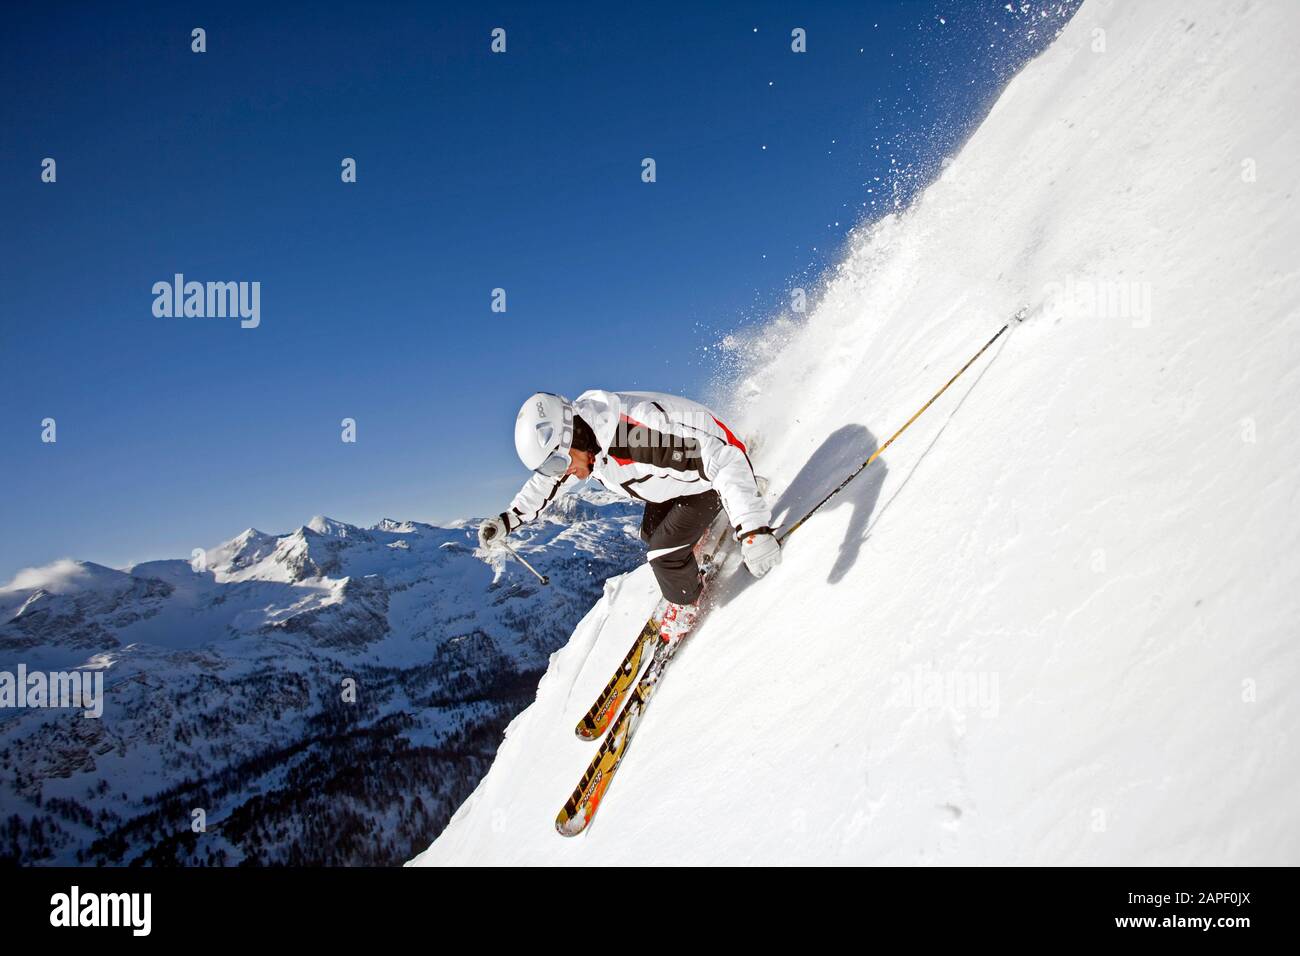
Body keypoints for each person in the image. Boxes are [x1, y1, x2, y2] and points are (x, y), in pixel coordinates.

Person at [478, 390, 781, 643]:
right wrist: (508, 520)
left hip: (717, 472)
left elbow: (724, 458)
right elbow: (547, 483)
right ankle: (696, 537)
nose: (560, 473)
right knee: (651, 533)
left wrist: (753, 529)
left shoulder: (636, 437)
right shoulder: (587, 441)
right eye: (551, 467)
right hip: (681, 483)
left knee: (662, 554)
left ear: (573, 436)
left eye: (558, 462)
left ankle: (686, 603)